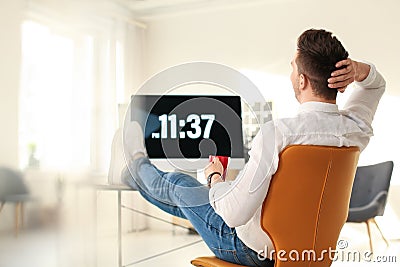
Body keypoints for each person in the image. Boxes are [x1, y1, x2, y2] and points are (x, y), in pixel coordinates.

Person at [121, 29, 385, 266]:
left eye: (292, 66)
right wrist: (358, 69)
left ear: (302, 80)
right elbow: (376, 84)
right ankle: (135, 170)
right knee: (189, 201)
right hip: (312, 253)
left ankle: (135, 163)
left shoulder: (279, 133)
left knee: (178, 184)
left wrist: (215, 177)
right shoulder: (355, 129)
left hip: (251, 252)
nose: (290, 72)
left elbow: (234, 216)